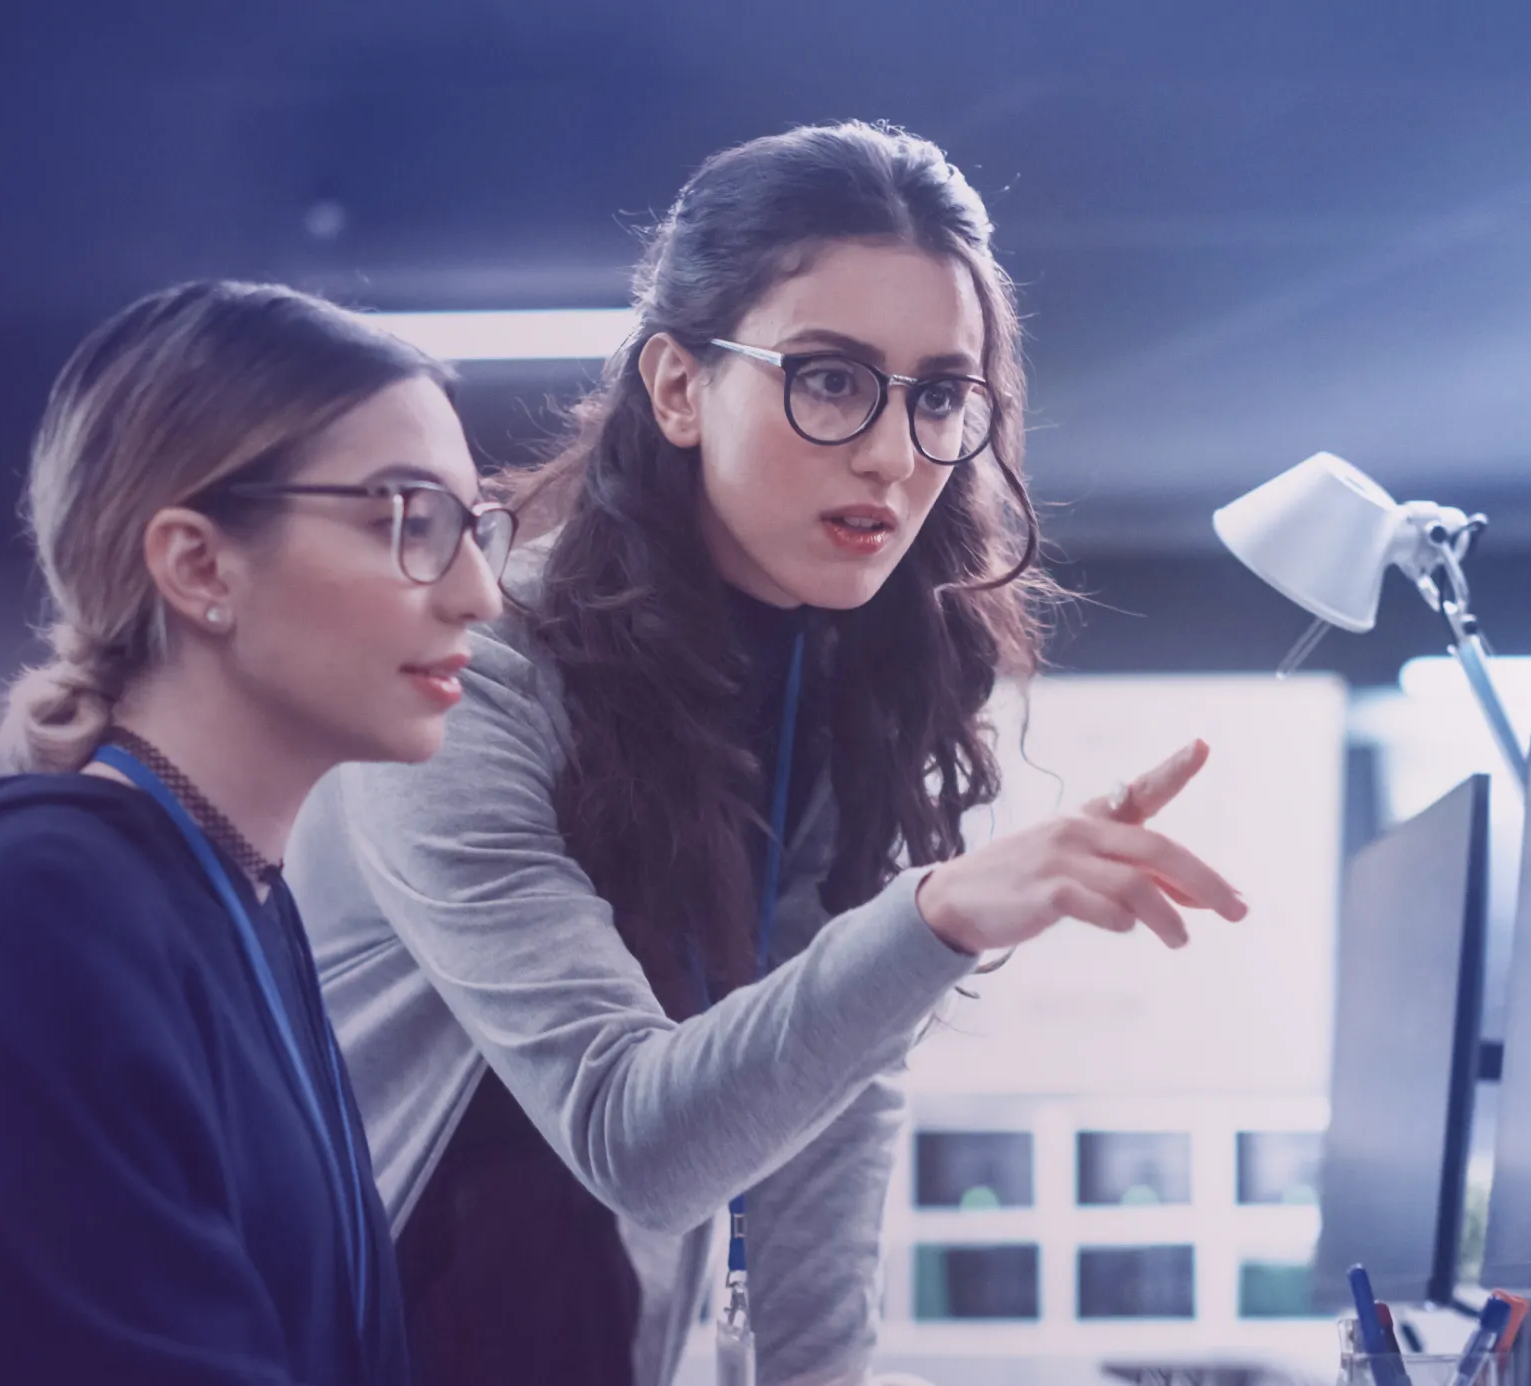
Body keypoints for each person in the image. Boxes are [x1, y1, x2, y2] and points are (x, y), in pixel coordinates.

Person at [288, 121, 1247, 1386]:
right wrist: (939, 915)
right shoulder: (471, 678)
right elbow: (636, 1140)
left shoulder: (835, 685)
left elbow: (820, 1122)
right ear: (679, 388)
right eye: (830, 378)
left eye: (940, 395)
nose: (893, 454)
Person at [0, 279, 512, 1385]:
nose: (479, 593)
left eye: (475, 528)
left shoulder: (235, 898)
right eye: (408, 521)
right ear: (200, 565)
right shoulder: (41, 906)